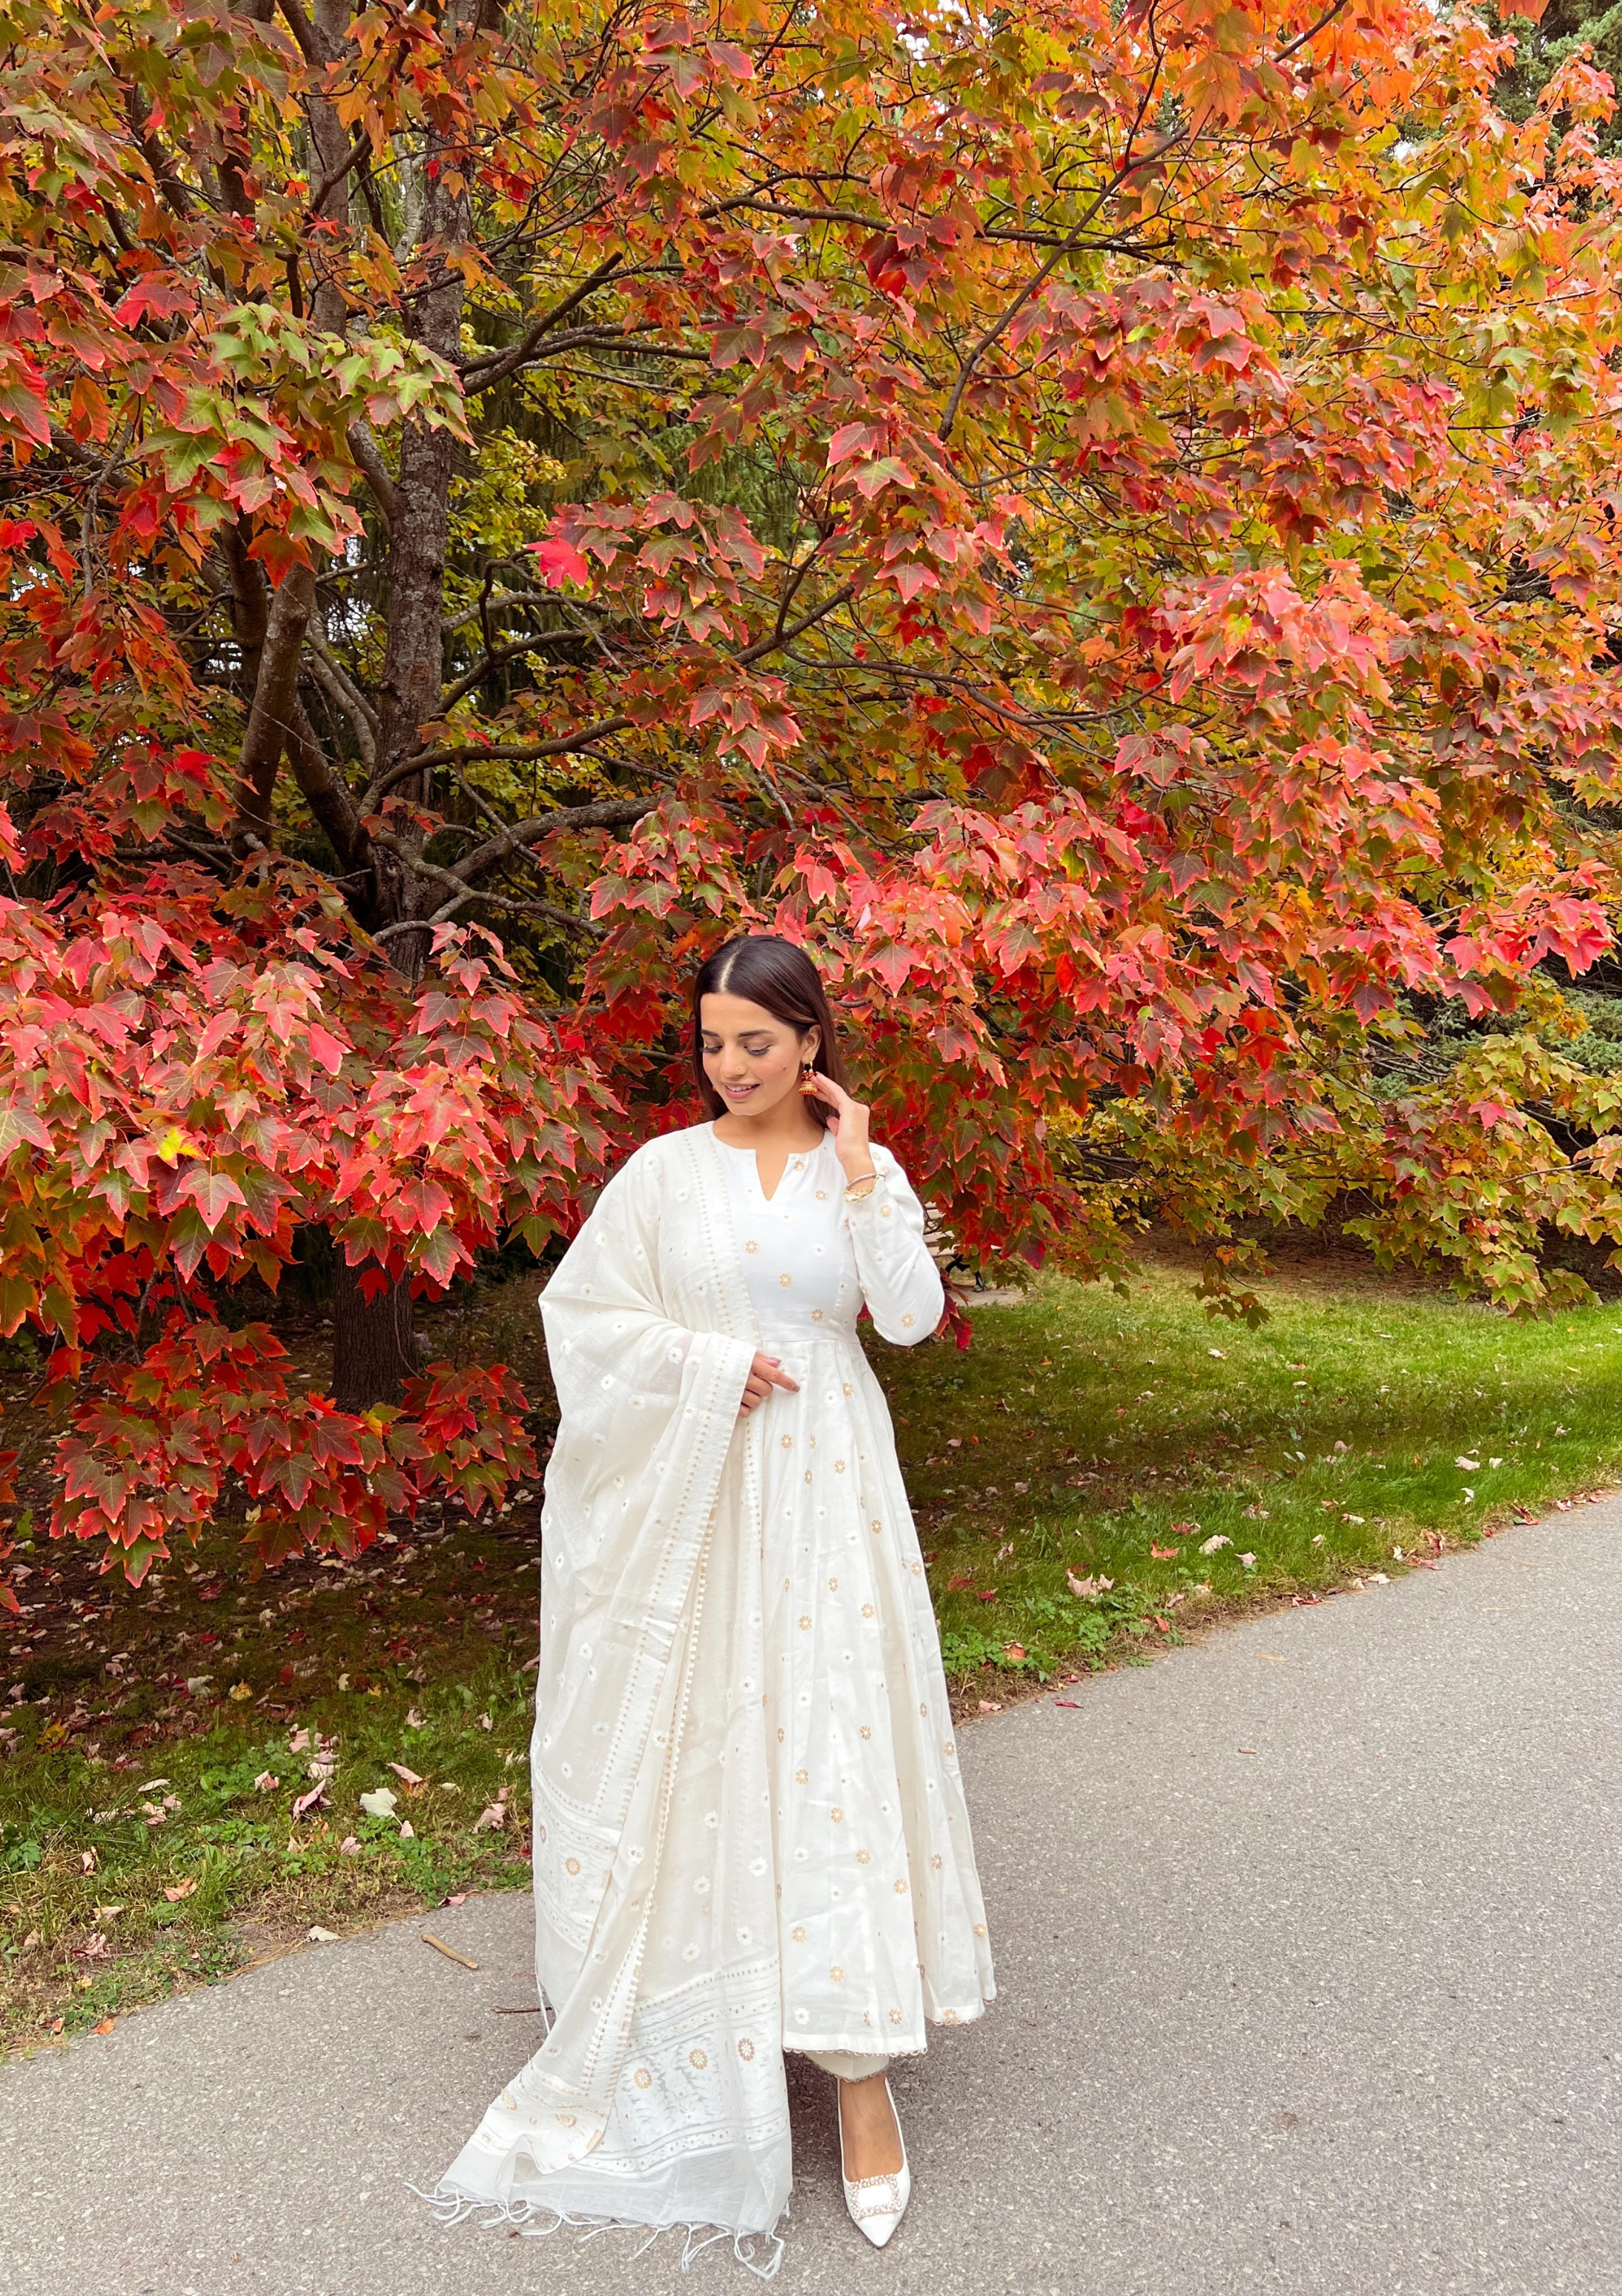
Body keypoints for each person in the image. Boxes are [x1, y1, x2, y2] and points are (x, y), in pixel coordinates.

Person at [421, 935, 994, 2273]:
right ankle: (701, 2002)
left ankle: (860, 2078)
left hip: (829, 1492)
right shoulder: (662, 1174)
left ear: (810, 1042)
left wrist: (862, 1175)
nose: (730, 1065)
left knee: (829, 1744)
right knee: (706, 1741)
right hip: (699, 1496)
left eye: (757, 1040)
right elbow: (584, 1314)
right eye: (712, 1041)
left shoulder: (872, 1171)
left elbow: (906, 1320)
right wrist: (694, 1363)